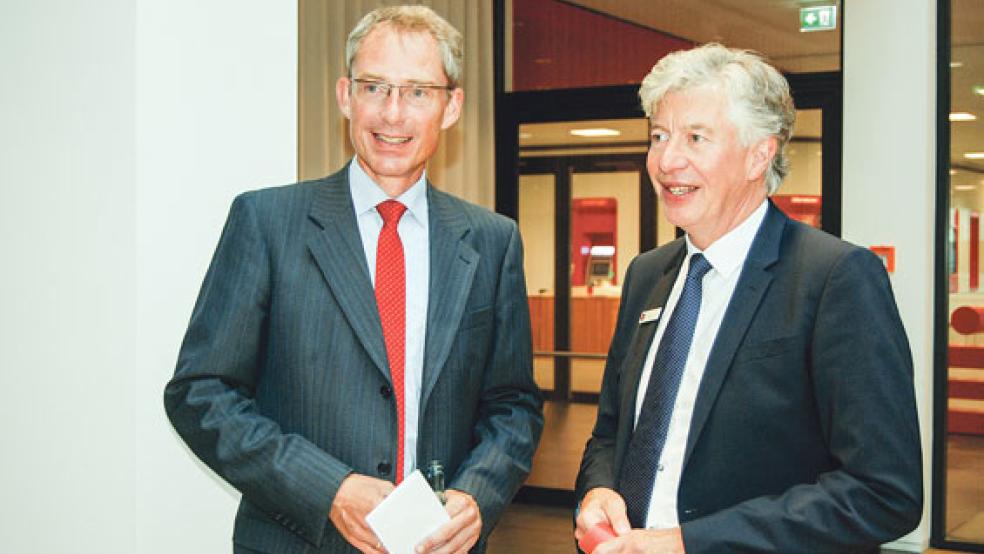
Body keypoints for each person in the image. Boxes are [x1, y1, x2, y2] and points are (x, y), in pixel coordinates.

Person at [164, 6, 543, 553]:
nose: (393, 114)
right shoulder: (267, 223)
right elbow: (199, 394)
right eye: (375, 87)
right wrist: (328, 489)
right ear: (345, 95)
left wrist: (477, 495)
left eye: (417, 92)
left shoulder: (492, 240)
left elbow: (513, 406)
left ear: (451, 106)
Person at [574, 44, 922, 553]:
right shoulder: (646, 274)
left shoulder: (836, 279)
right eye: (659, 136)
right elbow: (609, 433)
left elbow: (882, 491)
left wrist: (692, 542)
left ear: (759, 153)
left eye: (696, 137)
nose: (668, 160)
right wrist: (598, 490)